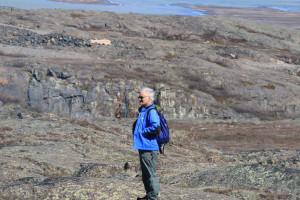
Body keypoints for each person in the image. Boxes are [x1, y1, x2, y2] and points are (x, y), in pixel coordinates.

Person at [133, 87, 161, 200]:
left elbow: (156, 127)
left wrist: (142, 132)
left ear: (149, 98)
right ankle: (149, 195)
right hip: (143, 146)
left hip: (148, 147)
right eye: (138, 97)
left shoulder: (151, 111)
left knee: (150, 173)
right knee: (145, 174)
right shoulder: (143, 110)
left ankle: (153, 197)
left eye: (141, 97)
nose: (139, 99)